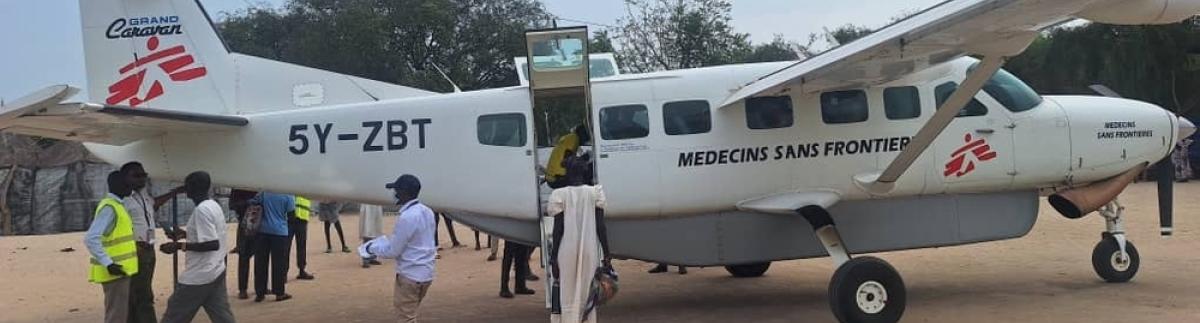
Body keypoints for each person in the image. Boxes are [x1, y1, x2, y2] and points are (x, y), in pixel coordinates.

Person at [158, 171, 236, 323]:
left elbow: (212, 244)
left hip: (199, 275)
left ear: (192, 187)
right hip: (216, 270)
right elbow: (211, 235)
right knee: (222, 316)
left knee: (174, 314)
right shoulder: (213, 205)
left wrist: (179, 246)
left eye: (186, 185)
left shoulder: (202, 210)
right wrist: (186, 234)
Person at [361, 174, 437, 323]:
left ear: (404, 192)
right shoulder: (427, 211)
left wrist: (371, 248)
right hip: (426, 273)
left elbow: (393, 250)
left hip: (409, 276)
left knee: (406, 319)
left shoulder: (407, 217)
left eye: (396, 190)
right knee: (410, 315)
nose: (394, 193)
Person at [548, 157, 611, 323]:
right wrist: (607, 255)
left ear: (567, 172)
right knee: (587, 293)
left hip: (566, 252)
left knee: (566, 293)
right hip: (589, 252)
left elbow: (558, 230)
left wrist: (553, 258)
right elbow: (601, 227)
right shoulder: (595, 192)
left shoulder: (559, 195)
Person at [119, 162, 181, 323]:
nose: (142, 179)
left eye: (143, 175)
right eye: (136, 176)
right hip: (136, 250)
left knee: (138, 292)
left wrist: (174, 193)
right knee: (143, 295)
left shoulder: (143, 195)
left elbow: (152, 208)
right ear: (125, 178)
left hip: (148, 249)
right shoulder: (123, 199)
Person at [84, 171, 139, 323]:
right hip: (115, 271)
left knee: (120, 314)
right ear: (118, 185)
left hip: (121, 270)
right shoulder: (110, 208)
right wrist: (108, 263)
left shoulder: (118, 206)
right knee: (116, 316)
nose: (131, 186)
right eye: (127, 183)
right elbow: (91, 238)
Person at [252, 191, 295, 302]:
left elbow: (253, 202)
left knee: (260, 263)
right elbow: (291, 216)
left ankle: (260, 293)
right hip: (280, 232)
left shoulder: (265, 192)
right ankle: (279, 292)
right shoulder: (288, 195)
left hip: (262, 231)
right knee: (279, 264)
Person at [228, 189, 259, 300]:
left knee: (260, 258)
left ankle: (260, 287)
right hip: (244, 225)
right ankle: (242, 289)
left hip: (259, 224)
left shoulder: (260, 184)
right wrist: (247, 203)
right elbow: (231, 205)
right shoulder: (238, 186)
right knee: (244, 257)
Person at [290, 196, 315, 280]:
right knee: (286, 246)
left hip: (302, 217)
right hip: (290, 217)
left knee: (302, 246)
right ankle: (283, 273)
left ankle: (302, 270)